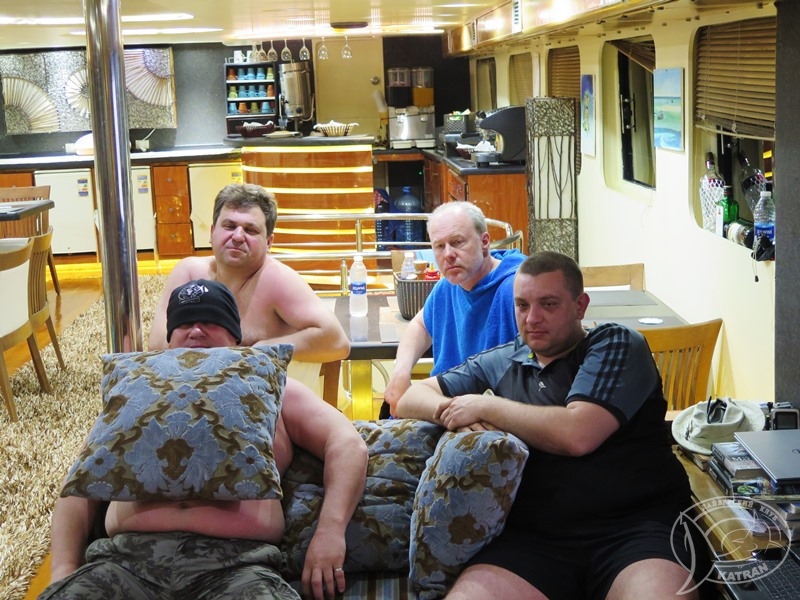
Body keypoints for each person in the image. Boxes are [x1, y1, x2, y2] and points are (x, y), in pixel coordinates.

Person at [396, 251, 704, 600]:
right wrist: (452, 412)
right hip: (535, 539)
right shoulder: (504, 359)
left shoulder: (615, 344)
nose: (532, 318)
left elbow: (578, 434)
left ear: (580, 306)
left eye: (548, 304)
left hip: (637, 529)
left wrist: (485, 405)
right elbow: (409, 397)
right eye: (522, 305)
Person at [42, 279, 368, 600]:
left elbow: (347, 444)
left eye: (211, 321)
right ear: (169, 340)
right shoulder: (135, 393)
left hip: (237, 567)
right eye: (184, 323)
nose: (196, 331)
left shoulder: (271, 386)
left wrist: (330, 532)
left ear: (236, 338)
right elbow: (79, 487)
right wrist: (63, 568)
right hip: (124, 563)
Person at [148, 183, 350, 392]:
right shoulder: (189, 273)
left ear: (268, 242)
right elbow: (156, 345)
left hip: (268, 401)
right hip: (189, 392)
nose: (237, 236)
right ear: (212, 232)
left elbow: (337, 342)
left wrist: (259, 350)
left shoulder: (277, 279)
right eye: (229, 226)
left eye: (250, 230)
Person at [383, 201, 524, 417]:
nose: (448, 254)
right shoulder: (448, 286)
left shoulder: (517, 288)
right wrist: (400, 372)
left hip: (494, 417)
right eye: (439, 246)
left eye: (457, 242)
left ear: (484, 242)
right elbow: (421, 324)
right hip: (446, 409)